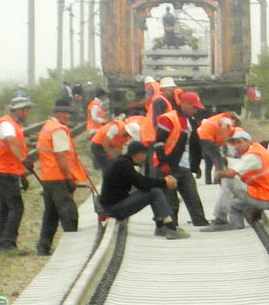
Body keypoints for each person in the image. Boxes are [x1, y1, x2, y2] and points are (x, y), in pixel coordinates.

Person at [33, 97, 93, 257]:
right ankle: (72, 249)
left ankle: (43, 248)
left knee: (50, 214)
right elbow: (61, 156)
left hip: (47, 178)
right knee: (69, 213)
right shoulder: (58, 129)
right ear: (58, 112)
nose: (68, 116)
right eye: (66, 113)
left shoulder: (47, 127)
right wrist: (69, 177)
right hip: (58, 178)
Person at [100, 140, 188, 239]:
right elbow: (142, 184)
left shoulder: (122, 162)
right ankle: (171, 228)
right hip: (114, 209)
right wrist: (164, 182)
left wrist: (162, 182)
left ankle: (161, 226)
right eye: (143, 155)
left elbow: (142, 181)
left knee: (153, 190)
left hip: (113, 206)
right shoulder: (124, 164)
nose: (143, 158)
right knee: (155, 192)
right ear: (139, 154)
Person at [209, 128, 269, 229]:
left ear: (248, 141)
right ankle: (237, 228)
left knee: (228, 181)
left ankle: (220, 220)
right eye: (234, 143)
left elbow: (231, 173)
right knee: (234, 205)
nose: (236, 146)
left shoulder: (253, 155)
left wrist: (219, 174)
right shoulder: (257, 150)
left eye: (239, 142)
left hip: (267, 198)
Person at [153, 93, 209, 227]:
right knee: (170, 200)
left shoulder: (191, 120)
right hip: (169, 165)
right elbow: (158, 143)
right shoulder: (169, 119)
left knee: (192, 197)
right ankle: (170, 228)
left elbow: (193, 145)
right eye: (194, 107)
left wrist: (195, 165)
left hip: (184, 165)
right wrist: (164, 163)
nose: (196, 110)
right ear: (185, 104)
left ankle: (200, 222)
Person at [0, 92, 34, 252]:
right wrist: (24, 160)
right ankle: (7, 243)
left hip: (7, 170)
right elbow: (12, 142)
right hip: (5, 170)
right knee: (16, 207)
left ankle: (2, 242)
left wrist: (22, 173)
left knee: (4, 207)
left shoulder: (11, 124)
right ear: (17, 110)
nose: (27, 114)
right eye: (25, 111)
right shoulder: (6, 124)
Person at [193, 108, 238, 184]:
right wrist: (225, 140)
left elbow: (218, 135)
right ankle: (217, 180)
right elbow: (223, 129)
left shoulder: (217, 119)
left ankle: (208, 181)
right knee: (218, 160)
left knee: (208, 161)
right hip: (208, 137)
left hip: (201, 137)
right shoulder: (226, 117)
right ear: (233, 119)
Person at [85, 88, 110, 171]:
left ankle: (98, 164)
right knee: (96, 148)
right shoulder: (95, 105)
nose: (105, 98)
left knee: (98, 147)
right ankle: (97, 165)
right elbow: (94, 117)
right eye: (104, 96)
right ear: (101, 96)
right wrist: (104, 121)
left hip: (98, 128)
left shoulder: (97, 104)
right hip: (94, 128)